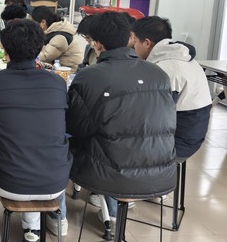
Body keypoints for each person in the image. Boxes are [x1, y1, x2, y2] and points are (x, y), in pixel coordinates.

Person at [0, 19, 72, 242]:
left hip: (9, 181)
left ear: (4, 49)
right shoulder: (57, 83)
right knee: (35, 148)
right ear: (40, 48)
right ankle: (32, 230)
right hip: (56, 183)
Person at [67, 12, 177, 230]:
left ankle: (57, 217)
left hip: (110, 176)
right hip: (162, 174)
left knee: (59, 145)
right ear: (130, 38)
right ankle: (111, 209)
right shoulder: (159, 74)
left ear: (97, 44)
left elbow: (76, 127)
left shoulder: (89, 76)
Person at [131, 16, 212, 161]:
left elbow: (153, 116)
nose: (133, 47)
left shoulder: (165, 69)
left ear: (147, 43)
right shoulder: (180, 56)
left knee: (117, 144)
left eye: (135, 42)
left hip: (178, 144)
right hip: (189, 136)